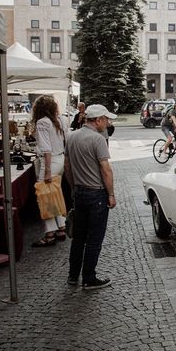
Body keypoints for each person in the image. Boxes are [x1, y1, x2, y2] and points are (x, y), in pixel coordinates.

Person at [65, 104, 117, 290]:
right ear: (98, 120)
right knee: (94, 238)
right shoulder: (98, 139)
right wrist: (111, 194)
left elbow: (68, 167)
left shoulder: (71, 137)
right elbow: (105, 169)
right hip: (96, 194)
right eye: (106, 119)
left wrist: (73, 188)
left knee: (78, 237)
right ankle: (89, 278)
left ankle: (73, 276)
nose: (108, 123)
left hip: (79, 192)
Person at [31, 95, 69, 247]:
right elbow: (67, 140)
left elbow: (46, 148)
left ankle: (49, 234)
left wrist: (46, 170)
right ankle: (61, 227)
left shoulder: (42, 122)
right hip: (59, 159)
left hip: (50, 161)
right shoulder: (60, 120)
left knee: (44, 198)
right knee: (54, 194)